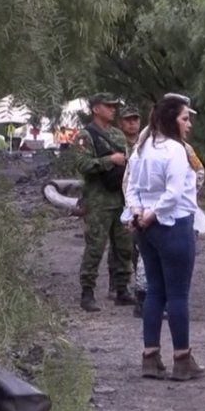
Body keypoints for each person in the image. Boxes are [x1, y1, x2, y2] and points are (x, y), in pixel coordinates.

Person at [123, 95, 204, 382]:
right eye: (185, 118)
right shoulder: (174, 150)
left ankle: (150, 355)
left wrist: (137, 213)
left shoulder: (141, 149)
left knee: (155, 290)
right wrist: (152, 214)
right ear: (172, 120)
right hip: (172, 224)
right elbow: (174, 193)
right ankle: (182, 359)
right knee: (178, 294)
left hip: (146, 227)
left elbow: (130, 186)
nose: (189, 124)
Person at [73, 93, 135, 312]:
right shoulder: (85, 136)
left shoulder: (118, 135)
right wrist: (110, 160)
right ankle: (87, 292)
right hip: (98, 200)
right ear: (95, 109)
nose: (113, 109)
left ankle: (122, 289)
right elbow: (82, 163)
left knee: (124, 247)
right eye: (108, 106)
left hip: (120, 198)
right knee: (95, 247)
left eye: (114, 106)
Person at [117, 105, 148, 317]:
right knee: (126, 249)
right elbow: (129, 180)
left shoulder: (146, 142)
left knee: (140, 255)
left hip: (150, 209)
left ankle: (143, 294)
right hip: (129, 204)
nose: (132, 123)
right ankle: (123, 287)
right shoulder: (119, 142)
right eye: (128, 120)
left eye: (135, 119)